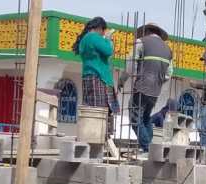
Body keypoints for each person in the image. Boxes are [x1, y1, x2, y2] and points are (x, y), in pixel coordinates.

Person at [120, 22, 172, 152]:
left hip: (142, 87)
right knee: (145, 118)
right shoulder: (168, 50)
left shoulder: (141, 42)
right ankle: (152, 149)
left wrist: (122, 80)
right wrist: (158, 82)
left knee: (135, 118)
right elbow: (169, 74)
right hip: (156, 91)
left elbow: (130, 67)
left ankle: (147, 149)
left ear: (147, 31)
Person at [73, 17, 119, 131]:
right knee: (101, 110)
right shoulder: (94, 37)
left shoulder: (85, 39)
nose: (103, 34)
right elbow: (108, 50)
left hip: (88, 76)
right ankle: (101, 135)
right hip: (99, 77)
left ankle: (92, 133)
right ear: (100, 28)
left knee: (91, 108)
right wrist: (108, 39)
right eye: (103, 31)